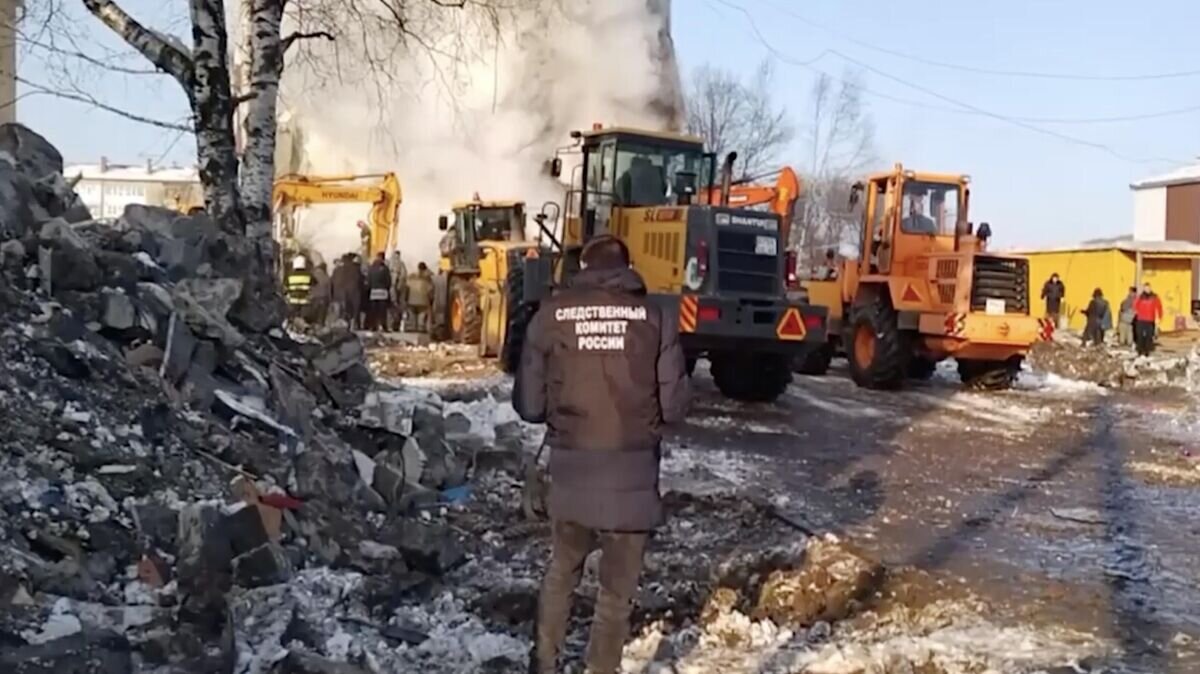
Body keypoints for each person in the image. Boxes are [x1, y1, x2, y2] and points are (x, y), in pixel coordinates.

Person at [514, 235, 689, 674]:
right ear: (627, 268)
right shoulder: (656, 318)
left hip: (571, 474)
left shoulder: (551, 316)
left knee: (561, 573)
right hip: (633, 479)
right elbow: (674, 407)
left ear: (583, 268)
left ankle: (544, 662)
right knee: (615, 594)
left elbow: (529, 406)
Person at [331, 253, 363, 328]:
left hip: (339, 296)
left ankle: (341, 326)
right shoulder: (355, 269)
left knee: (341, 313)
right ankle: (352, 326)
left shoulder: (337, 270)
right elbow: (360, 283)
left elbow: (332, 283)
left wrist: (332, 296)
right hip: (353, 295)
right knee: (352, 313)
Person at [1133, 282, 1164, 357]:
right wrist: (1137, 312)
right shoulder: (1140, 297)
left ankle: (1147, 351)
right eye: (1146, 288)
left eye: (1148, 288)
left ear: (1150, 288)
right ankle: (1140, 350)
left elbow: (1159, 307)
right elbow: (1135, 305)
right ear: (1144, 289)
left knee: (1149, 336)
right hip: (1141, 319)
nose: (1147, 289)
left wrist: (1160, 317)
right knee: (1140, 335)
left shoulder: (1154, 297)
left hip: (1150, 319)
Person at [365, 252, 392, 331]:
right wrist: (386, 288)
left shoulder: (371, 268)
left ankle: (373, 326)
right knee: (382, 311)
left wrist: (369, 288)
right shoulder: (385, 268)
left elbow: (368, 280)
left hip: (373, 292)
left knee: (373, 310)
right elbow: (388, 281)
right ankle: (383, 326)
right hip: (383, 292)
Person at [407, 262, 434, 332]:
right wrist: (431, 299)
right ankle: (420, 327)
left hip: (411, 299)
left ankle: (412, 327)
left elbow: (407, 287)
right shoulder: (428, 278)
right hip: (423, 300)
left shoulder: (411, 276)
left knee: (412, 314)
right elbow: (430, 290)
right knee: (422, 315)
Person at [284, 254, 312, 318]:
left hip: (293, 301)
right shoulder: (309, 275)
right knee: (304, 319)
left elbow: (285, 287)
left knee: (293, 319)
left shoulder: (289, 275)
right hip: (305, 302)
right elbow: (315, 285)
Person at [307, 262, 332, 327]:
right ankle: (320, 327)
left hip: (314, 298)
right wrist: (330, 300)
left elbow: (309, 287)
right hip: (324, 298)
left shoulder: (312, 275)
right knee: (321, 317)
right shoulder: (326, 277)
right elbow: (329, 290)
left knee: (314, 316)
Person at [389, 250, 409, 331]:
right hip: (394, 288)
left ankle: (395, 323)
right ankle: (394, 323)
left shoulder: (394, 264)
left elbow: (403, 276)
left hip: (395, 288)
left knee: (395, 306)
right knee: (395, 306)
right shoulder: (396, 264)